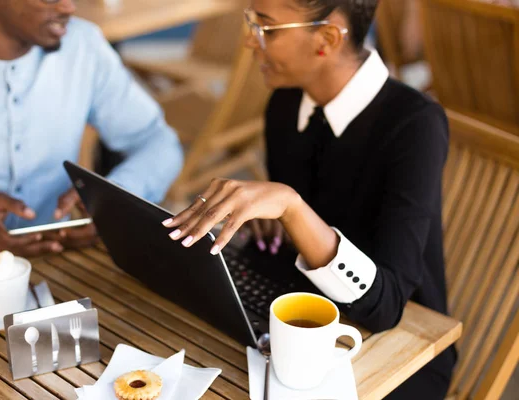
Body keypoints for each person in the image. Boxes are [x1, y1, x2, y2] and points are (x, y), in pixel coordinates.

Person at [162, 0, 455, 398]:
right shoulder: (285, 104)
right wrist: (277, 221)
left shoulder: (414, 125)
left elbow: (387, 308)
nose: (250, 41)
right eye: (252, 23)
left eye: (267, 28)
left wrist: (292, 208)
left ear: (327, 38)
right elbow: (302, 220)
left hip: (398, 349)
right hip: (296, 319)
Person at [0, 0, 183, 282]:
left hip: (66, 266)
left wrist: (110, 203)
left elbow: (158, 142)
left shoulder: (83, 46)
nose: (68, 7)